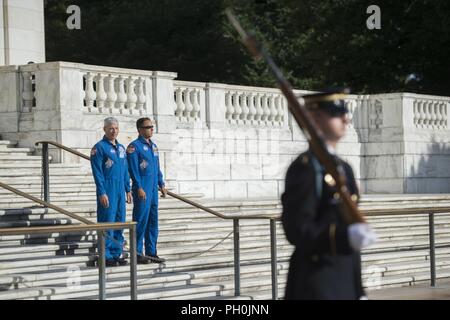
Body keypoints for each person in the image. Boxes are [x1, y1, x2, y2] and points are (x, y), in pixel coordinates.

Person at [281, 89, 377, 299]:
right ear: (315, 118)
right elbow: (297, 229)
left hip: (344, 280)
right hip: (317, 283)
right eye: (336, 113)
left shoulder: (345, 168)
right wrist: (344, 237)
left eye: (345, 112)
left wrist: (358, 290)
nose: (345, 118)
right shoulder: (306, 168)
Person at [90, 117, 132, 267]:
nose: (113, 131)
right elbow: (98, 172)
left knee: (119, 221)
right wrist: (102, 192)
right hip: (108, 189)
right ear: (105, 129)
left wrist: (128, 189)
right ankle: (105, 255)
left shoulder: (121, 148)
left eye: (116, 128)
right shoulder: (99, 148)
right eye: (110, 128)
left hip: (120, 189)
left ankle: (116, 253)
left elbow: (125, 170)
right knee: (107, 221)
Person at [127, 117, 167, 264]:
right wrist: (138, 186)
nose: (151, 129)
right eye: (148, 127)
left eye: (152, 126)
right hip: (142, 189)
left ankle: (151, 252)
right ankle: (137, 252)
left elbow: (157, 167)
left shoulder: (154, 146)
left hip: (153, 190)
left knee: (153, 222)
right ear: (140, 130)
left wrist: (161, 183)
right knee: (141, 221)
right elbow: (132, 168)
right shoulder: (134, 147)